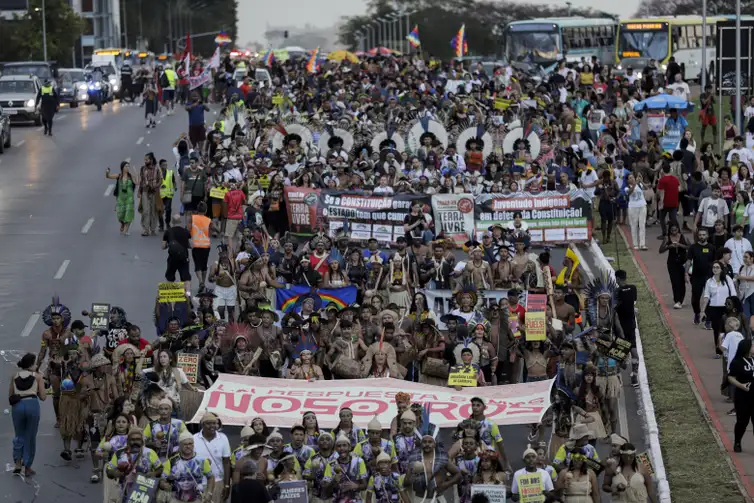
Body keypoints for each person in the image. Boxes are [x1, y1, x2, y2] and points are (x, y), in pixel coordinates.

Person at [9, 353, 46, 477]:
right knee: (30, 436)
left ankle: (17, 463)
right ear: (31, 365)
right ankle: (28, 466)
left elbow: (11, 394)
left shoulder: (14, 376)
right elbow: (43, 397)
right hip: (32, 405)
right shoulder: (38, 377)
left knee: (19, 434)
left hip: (18, 406)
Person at [686, 228, 717, 326]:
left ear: (707, 236)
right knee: (695, 298)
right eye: (700, 235)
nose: (702, 236)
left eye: (704, 235)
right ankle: (697, 313)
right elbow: (688, 261)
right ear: (697, 236)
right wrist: (686, 273)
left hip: (709, 277)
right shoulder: (693, 247)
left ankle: (708, 319)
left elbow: (715, 262)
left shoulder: (712, 248)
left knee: (709, 298)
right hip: (696, 276)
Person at [163, 214, 192, 291]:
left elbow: (163, 246)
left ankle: (169, 296)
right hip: (184, 257)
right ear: (180, 221)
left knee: (169, 277)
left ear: (172, 222)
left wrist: (170, 245)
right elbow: (190, 245)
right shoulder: (186, 232)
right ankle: (188, 295)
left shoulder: (168, 232)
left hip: (172, 258)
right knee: (186, 278)